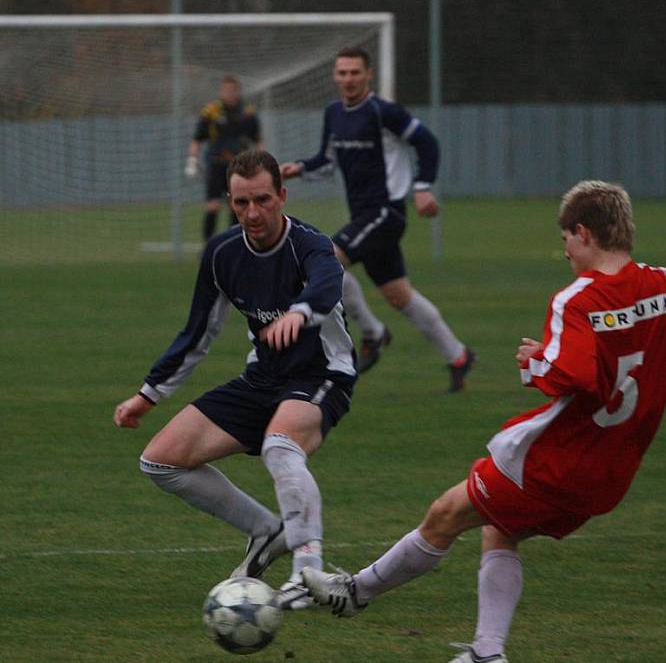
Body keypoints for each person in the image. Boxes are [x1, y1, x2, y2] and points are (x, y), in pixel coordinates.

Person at [299, 180, 666, 662]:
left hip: (558, 464)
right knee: (499, 529)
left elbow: (573, 375)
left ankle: (355, 594)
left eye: (566, 236)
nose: (564, 248)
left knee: (446, 514)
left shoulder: (579, 301)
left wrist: (535, 359)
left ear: (584, 233)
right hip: (612, 474)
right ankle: (484, 649)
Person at [114, 149, 356, 611]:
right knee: (160, 461)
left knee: (280, 446)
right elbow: (197, 331)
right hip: (262, 378)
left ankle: (308, 570)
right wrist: (148, 395)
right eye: (241, 203)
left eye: (262, 200)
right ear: (230, 200)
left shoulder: (310, 243)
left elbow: (327, 284)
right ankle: (269, 529)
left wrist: (301, 312)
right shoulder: (223, 253)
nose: (253, 213)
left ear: (282, 196)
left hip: (321, 375)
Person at [280, 46, 475, 392]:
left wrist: (423, 187)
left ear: (368, 74)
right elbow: (326, 161)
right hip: (364, 217)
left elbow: (427, 142)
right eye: (342, 73)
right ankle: (458, 355)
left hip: (385, 212)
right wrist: (299, 169)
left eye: (355, 72)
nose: (348, 79)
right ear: (335, 76)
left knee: (323, 260)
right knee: (399, 296)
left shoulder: (384, 112)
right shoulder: (334, 112)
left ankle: (373, 333)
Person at [185, 74, 262, 242]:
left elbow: (258, 140)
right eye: (226, 91)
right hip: (216, 165)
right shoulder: (211, 111)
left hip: (239, 168)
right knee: (213, 205)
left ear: (238, 92)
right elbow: (197, 139)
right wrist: (192, 160)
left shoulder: (248, 113)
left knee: (237, 207)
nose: (230, 94)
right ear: (220, 92)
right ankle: (208, 247)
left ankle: (235, 244)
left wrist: (261, 162)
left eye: (233, 91)